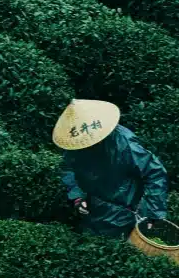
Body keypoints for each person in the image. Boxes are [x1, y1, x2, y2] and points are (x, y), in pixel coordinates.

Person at [52, 99, 169, 239]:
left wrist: (152, 214)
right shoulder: (76, 142)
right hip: (94, 207)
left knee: (124, 247)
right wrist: (77, 196)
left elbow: (155, 173)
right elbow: (67, 168)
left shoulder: (124, 144)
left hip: (124, 207)